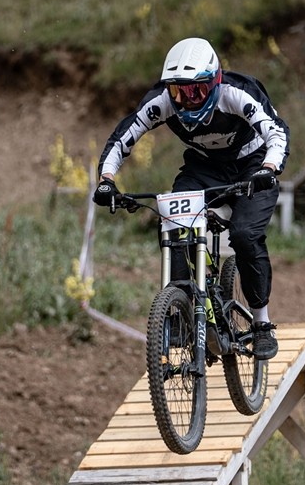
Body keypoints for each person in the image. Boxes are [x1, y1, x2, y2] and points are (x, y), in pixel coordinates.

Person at [93, 36, 289, 360]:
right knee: (174, 224)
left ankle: (262, 324)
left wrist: (269, 168)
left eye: (196, 91)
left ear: (215, 82)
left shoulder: (236, 93)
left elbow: (276, 131)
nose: (187, 101)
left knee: (244, 235)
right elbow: (122, 138)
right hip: (204, 168)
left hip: (253, 165)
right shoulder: (161, 103)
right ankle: (181, 308)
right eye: (178, 92)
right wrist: (107, 180)